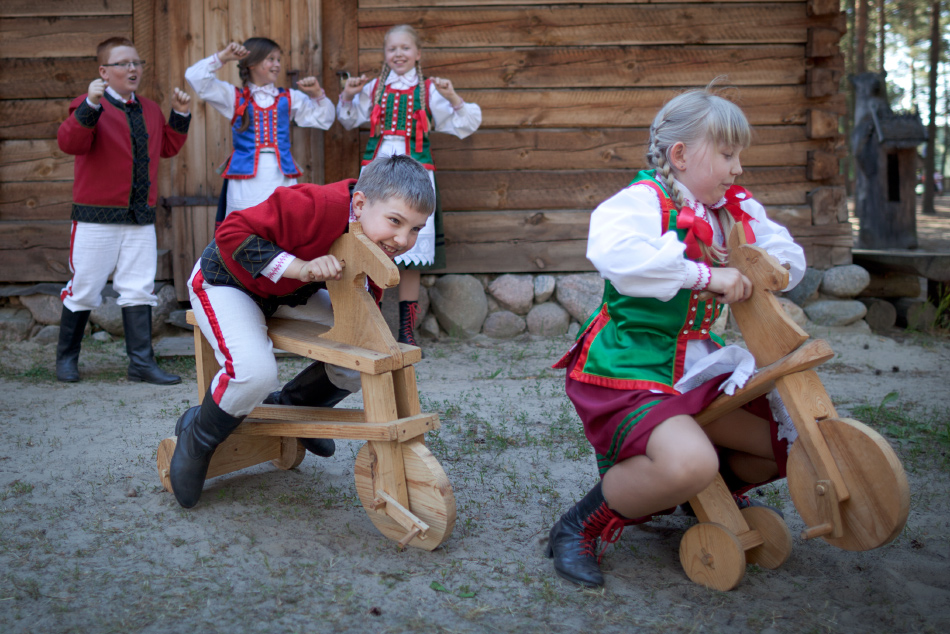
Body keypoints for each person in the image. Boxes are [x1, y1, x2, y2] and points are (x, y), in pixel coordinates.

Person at [546, 85, 807, 588]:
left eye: (739, 156)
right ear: (681, 155)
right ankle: (579, 526)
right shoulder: (644, 201)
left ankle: (692, 492)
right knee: (690, 461)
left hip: (697, 366)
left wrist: (761, 266)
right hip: (630, 365)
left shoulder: (731, 210)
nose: (737, 169)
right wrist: (706, 276)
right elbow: (614, 253)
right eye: (727, 155)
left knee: (781, 445)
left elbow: (788, 258)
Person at [168, 154, 436, 509]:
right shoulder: (315, 204)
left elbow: (364, 292)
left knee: (369, 348)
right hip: (228, 282)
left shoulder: (372, 231)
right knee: (255, 373)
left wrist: (350, 317)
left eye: (415, 228)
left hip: (291, 292)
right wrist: (300, 267)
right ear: (359, 203)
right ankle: (197, 437)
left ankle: (296, 408)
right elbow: (230, 232)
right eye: (395, 221)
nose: (403, 239)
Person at [56, 36, 191, 385]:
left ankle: (141, 364)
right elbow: (70, 142)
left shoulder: (148, 108)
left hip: (139, 218)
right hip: (94, 218)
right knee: (84, 288)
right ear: (104, 71)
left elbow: (167, 148)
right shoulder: (88, 105)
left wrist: (180, 114)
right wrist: (90, 102)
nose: (132, 69)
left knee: (138, 289)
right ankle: (66, 360)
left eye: (136, 63)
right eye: (123, 63)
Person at [337, 24, 481, 348]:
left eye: (405, 48)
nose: (398, 54)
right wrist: (347, 95)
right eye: (392, 49)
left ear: (418, 54)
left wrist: (452, 97)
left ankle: (405, 332)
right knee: (371, 245)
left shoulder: (429, 90)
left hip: (416, 174)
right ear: (385, 55)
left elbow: (467, 123)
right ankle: (370, 325)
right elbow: (347, 118)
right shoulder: (374, 87)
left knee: (410, 255)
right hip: (379, 174)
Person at [185, 38, 334, 217]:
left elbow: (324, 119)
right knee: (245, 227)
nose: (277, 64)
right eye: (271, 59)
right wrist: (223, 57)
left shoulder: (289, 97)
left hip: (281, 177)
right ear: (253, 63)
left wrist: (317, 94)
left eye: (278, 59)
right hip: (245, 182)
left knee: (282, 225)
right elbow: (194, 77)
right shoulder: (233, 97)